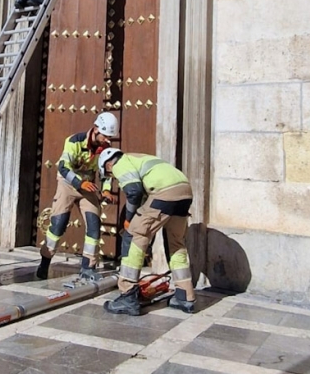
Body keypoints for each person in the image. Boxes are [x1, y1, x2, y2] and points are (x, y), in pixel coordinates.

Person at [98, 148, 195, 316]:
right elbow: (143, 195)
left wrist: (129, 219)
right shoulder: (141, 159)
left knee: (134, 235)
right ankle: (184, 296)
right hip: (184, 192)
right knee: (176, 243)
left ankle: (127, 295)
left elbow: (133, 191)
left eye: (109, 173)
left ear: (107, 164)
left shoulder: (120, 163)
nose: (113, 176)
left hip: (164, 192)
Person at [36, 111, 120, 281]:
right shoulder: (74, 141)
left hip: (88, 187)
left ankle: (88, 267)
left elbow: (105, 173)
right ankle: (45, 260)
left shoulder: (105, 149)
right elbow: (63, 167)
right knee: (58, 224)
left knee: (94, 224)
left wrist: (106, 190)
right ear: (96, 129)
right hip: (69, 183)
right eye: (106, 136)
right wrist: (79, 183)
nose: (108, 140)